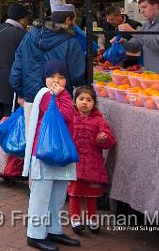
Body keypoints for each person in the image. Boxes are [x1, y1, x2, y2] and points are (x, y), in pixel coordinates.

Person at [23, 60, 80, 250]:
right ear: (44, 78)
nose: (57, 81)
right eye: (52, 77)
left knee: (58, 195)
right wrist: (63, 94)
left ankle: (53, 229)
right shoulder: (46, 95)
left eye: (61, 77)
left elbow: (69, 116)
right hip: (44, 153)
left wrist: (63, 95)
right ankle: (35, 234)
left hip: (61, 153)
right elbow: (67, 114)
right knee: (41, 194)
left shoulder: (61, 95)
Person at [10, 3, 86, 106]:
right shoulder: (71, 43)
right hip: (59, 101)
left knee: (31, 122)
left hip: (31, 98)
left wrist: (20, 94)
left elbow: (16, 70)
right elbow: (77, 77)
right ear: (68, 20)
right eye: (74, 20)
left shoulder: (28, 37)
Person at [0, 3, 30, 153]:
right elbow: (26, 59)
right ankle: (4, 151)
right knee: (9, 115)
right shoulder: (20, 34)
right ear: (22, 20)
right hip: (9, 83)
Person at [68, 85, 116, 234]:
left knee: (92, 194)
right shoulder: (70, 118)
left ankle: (92, 218)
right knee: (74, 192)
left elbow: (110, 141)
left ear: (94, 104)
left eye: (89, 100)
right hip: (74, 163)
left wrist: (103, 138)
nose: (85, 102)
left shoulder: (99, 121)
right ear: (75, 102)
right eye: (81, 99)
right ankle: (74, 218)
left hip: (92, 164)